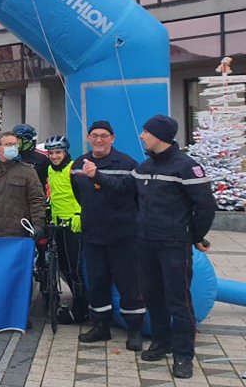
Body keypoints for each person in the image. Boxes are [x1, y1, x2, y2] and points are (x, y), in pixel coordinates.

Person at [133, 115, 216, 379]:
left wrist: (194, 236)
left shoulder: (186, 167)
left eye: (146, 132)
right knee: (152, 295)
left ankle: (183, 355)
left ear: (159, 136)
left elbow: (205, 207)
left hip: (173, 246)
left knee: (178, 301)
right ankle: (162, 342)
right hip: (146, 244)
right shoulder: (145, 167)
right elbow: (127, 192)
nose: (142, 136)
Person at [70, 120, 145, 352]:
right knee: (97, 283)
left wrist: (97, 177)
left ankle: (134, 331)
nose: (98, 140)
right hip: (93, 236)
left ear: (112, 138)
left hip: (123, 237)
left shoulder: (127, 163)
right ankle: (101, 326)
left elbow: (128, 190)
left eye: (103, 136)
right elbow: (79, 194)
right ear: (88, 138)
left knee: (129, 284)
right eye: (94, 135)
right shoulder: (78, 164)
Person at [43, 135, 88, 325]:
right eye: (51, 153)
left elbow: (84, 195)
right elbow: (53, 195)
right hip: (56, 223)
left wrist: (79, 214)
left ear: (65, 152)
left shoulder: (74, 170)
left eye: (58, 152)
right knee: (63, 267)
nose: (54, 156)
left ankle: (81, 308)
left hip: (73, 224)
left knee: (75, 268)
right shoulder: (49, 170)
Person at [0, 132, 46, 237]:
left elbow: (36, 199)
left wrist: (38, 224)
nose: (13, 147)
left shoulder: (27, 171)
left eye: (15, 144)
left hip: (18, 232)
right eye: (8, 145)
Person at [12, 124, 50, 190]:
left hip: (36, 197)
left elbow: (49, 181)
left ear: (26, 140)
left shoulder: (42, 158)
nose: (14, 142)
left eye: (17, 139)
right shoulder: (10, 156)